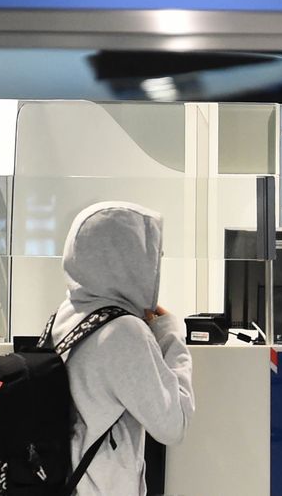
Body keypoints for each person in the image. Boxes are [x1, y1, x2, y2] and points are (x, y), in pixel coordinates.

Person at [49, 201, 195, 495]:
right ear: (127, 259)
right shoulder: (123, 332)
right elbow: (173, 424)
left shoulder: (68, 313)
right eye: (151, 253)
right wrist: (169, 334)